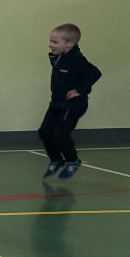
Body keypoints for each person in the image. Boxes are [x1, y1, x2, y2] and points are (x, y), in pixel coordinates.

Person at [39, 23, 102, 179]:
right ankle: (56, 159)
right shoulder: (59, 56)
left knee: (60, 134)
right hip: (57, 102)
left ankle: (72, 160)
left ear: (70, 44)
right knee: (44, 132)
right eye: (50, 41)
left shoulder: (76, 59)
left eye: (55, 42)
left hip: (73, 104)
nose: (50, 45)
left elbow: (95, 73)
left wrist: (79, 90)